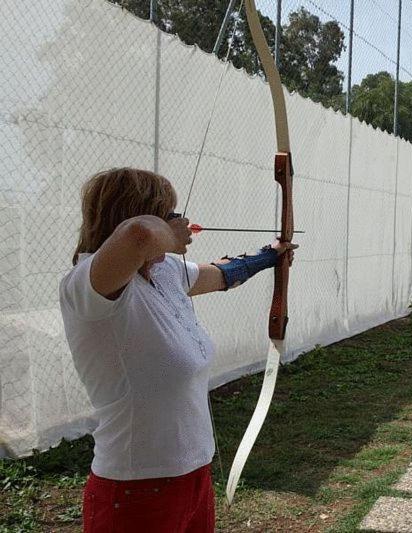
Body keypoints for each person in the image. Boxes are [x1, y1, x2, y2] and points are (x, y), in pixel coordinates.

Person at [58, 168, 296, 532]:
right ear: (135, 213)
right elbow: (138, 236)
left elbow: (220, 274)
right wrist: (166, 233)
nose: (179, 221)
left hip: (194, 476)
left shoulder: (165, 270)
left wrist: (270, 256)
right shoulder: (89, 283)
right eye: (168, 213)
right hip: (133, 488)